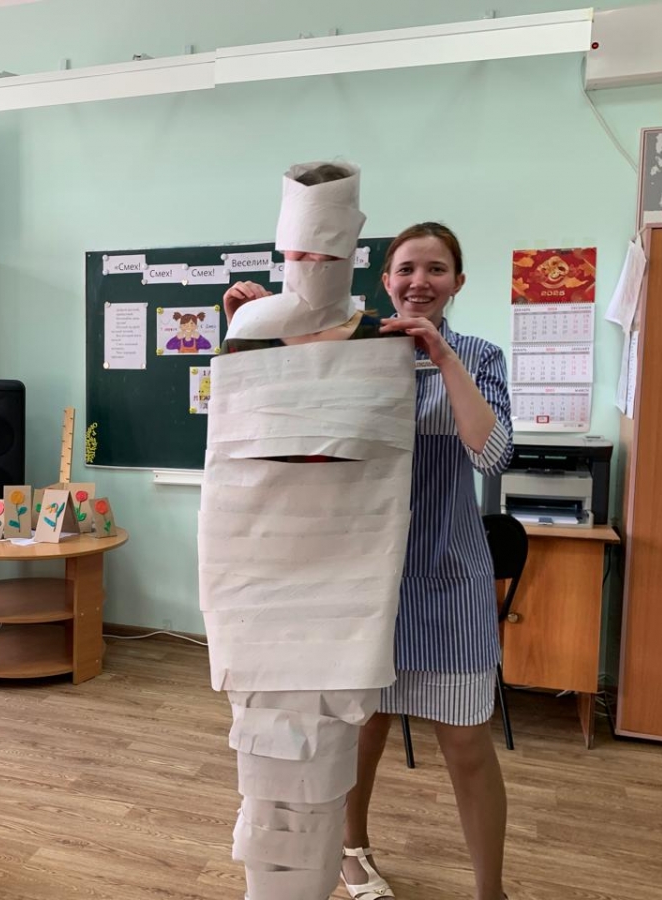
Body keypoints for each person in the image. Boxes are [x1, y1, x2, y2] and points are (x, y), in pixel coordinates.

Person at [203, 161, 417, 900]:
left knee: (323, 768)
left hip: (347, 578)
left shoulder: (382, 338)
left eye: (323, 253)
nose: (308, 266)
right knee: (264, 763)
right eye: (297, 253)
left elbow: (378, 466)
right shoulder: (251, 330)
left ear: (352, 251)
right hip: (254, 572)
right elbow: (231, 457)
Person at [340, 223, 514, 900]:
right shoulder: (354, 352)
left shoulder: (479, 356)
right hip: (367, 576)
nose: (420, 281)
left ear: (458, 282)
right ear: (385, 280)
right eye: (407, 268)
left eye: (436, 269)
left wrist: (442, 356)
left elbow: (491, 455)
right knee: (364, 730)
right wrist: (245, 329)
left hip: (450, 574)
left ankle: (490, 891)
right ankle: (352, 851)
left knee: (467, 744)